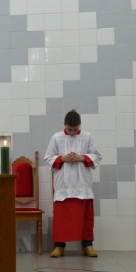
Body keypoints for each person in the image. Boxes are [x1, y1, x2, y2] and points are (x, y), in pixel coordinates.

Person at [45, 109, 102, 258]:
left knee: (85, 216)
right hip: (64, 182)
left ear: (79, 126)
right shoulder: (56, 138)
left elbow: (96, 156)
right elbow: (48, 158)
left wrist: (81, 157)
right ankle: (59, 245)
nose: (72, 133)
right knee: (62, 216)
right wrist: (62, 159)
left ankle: (87, 244)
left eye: (75, 130)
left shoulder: (87, 137)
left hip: (81, 181)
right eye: (69, 129)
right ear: (64, 125)